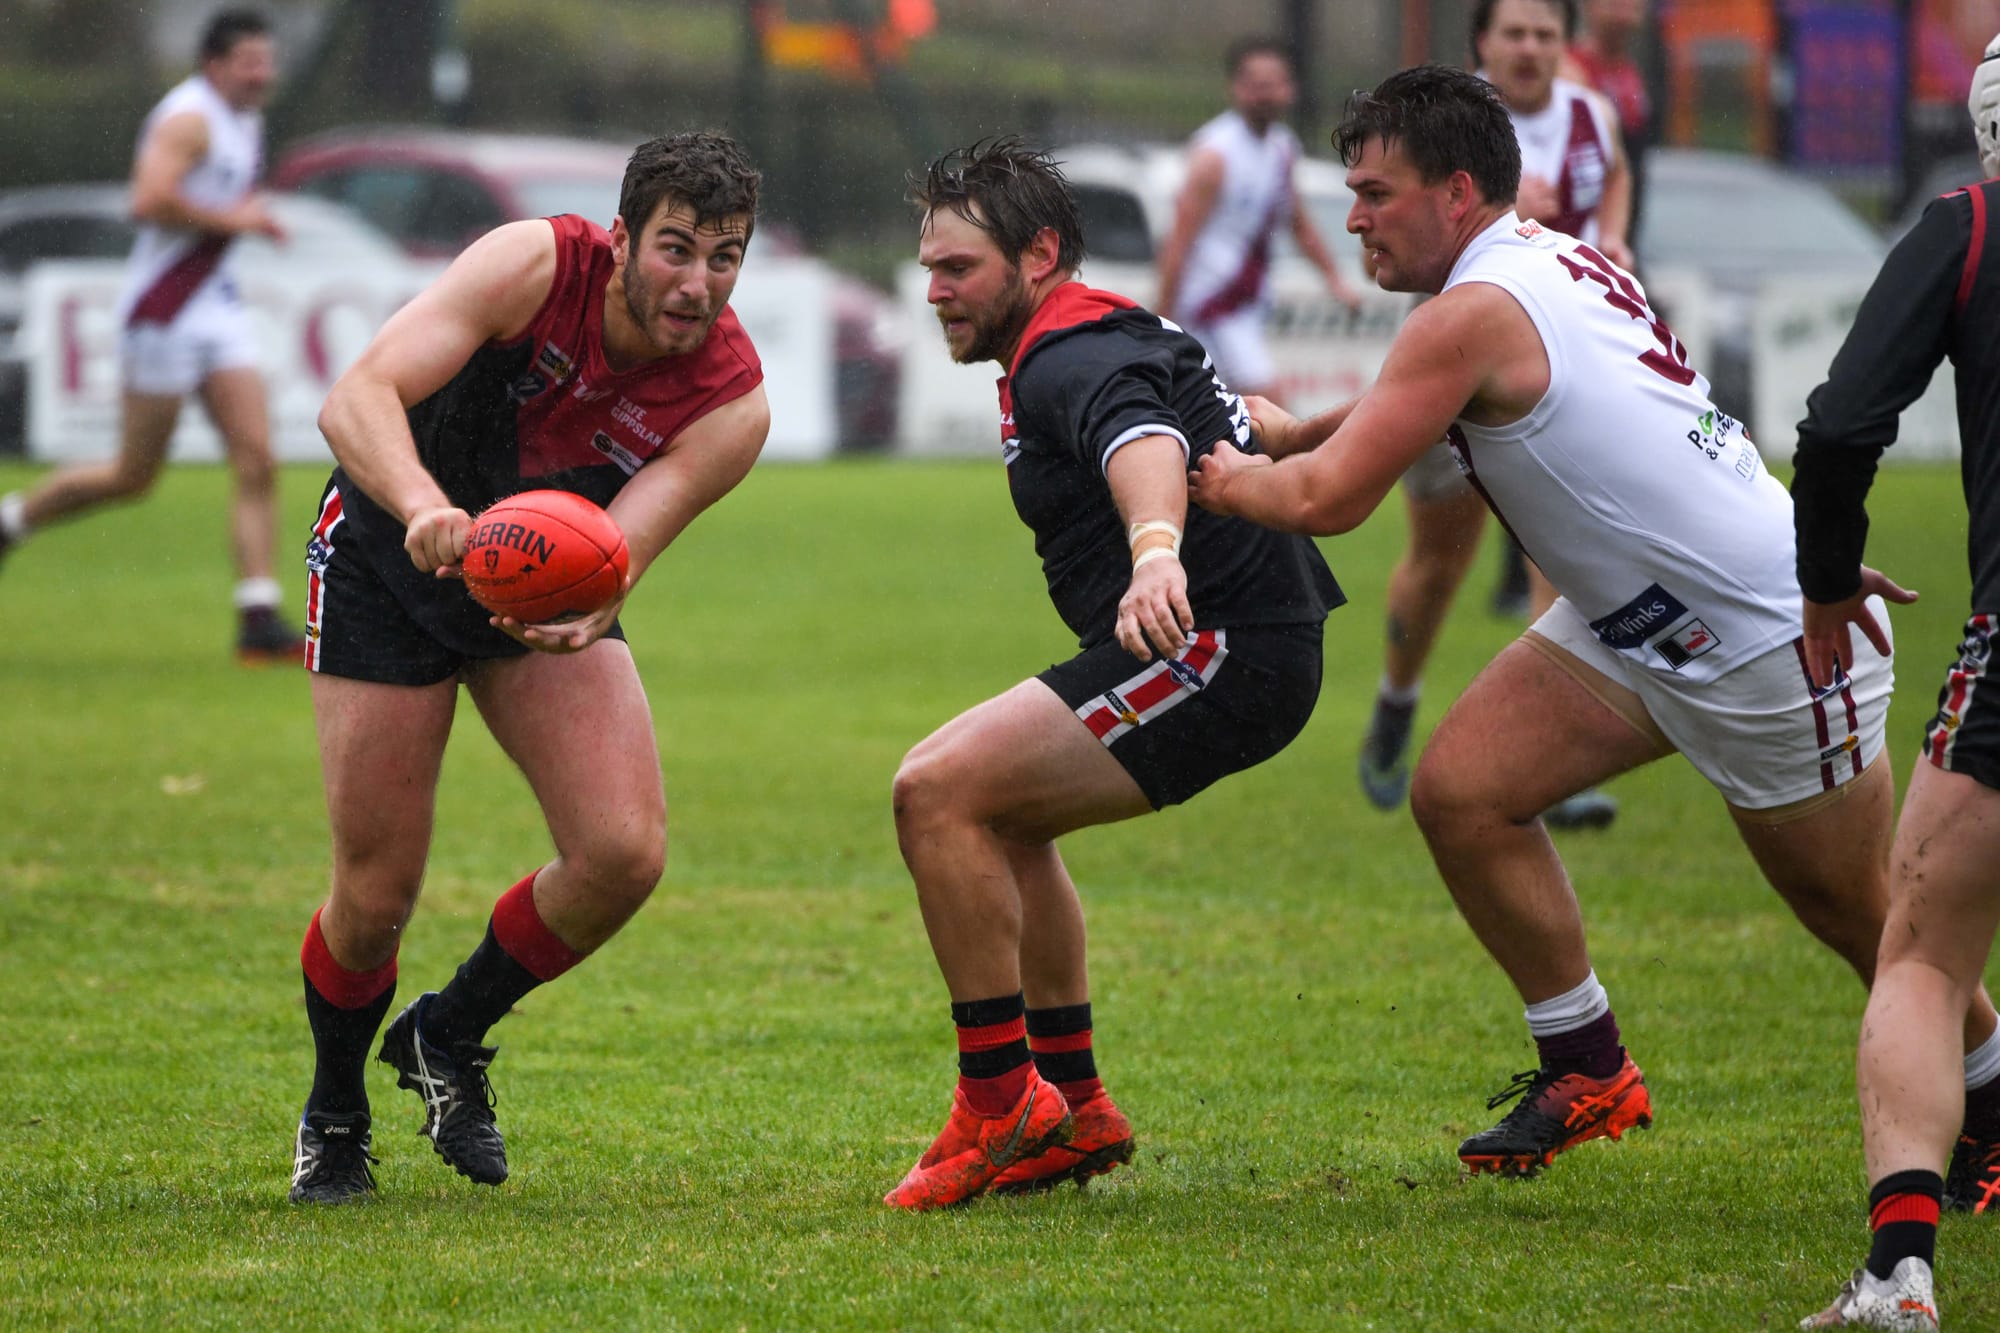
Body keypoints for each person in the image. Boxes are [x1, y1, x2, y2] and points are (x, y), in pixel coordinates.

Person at [1189, 63, 2000, 1183]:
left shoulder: (1470, 312)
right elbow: (1421, 397)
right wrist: (1289, 437)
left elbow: (1330, 501)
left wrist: (1229, 482)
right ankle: (1586, 1062)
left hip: (1770, 639)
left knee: (1871, 924)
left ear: (1456, 192)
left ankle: (1993, 1107)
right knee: (1462, 792)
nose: (1355, 217)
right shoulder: (1539, 257)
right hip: (1648, 622)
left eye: (1376, 193)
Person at [285, 131, 770, 1204]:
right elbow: (355, 398)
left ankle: (446, 1034)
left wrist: (589, 608)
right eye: (676, 248)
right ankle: (334, 1111)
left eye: (724, 257)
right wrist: (424, 507)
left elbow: (619, 555)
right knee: (376, 894)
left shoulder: (732, 404)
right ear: (621, 238)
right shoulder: (532, 265)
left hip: (531, 584)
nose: (697, 283)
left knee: (622, 851)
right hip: (385, 558)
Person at [887, 137, 1341, 1210]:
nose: (936, 290)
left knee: (935, 792)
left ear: (1038, 254)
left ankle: (1000, 1103)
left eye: (959, 268)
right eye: (930, 268)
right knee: (1003, 816)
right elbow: (1246, 426)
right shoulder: (1107, 326)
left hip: (1214, 644)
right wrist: (1364, 422)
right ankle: (1076, 1103)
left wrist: (1154, 553)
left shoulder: (1065, 354)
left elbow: (1140, 439)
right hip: (1235, 636)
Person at [1793, 38, 2000, 1332]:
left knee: (1922, 957)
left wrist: (1824, 580)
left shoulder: (1969, 225)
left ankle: (1899, 1274)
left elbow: (1837, 427)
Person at [1356, 0, 1633, 831]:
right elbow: (1390, 239)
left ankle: (1550, 764)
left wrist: (1614, 235)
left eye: (1546, 33)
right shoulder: (1443, 126)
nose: (1530, 48)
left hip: (1557, 354)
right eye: (1514, 32)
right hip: (1454, 347)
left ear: (1565, 43)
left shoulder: (1591, 113)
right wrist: (1511, 221)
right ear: (1482, 42)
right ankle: (1397, 698)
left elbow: (1616, 173)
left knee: (1563, 549)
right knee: (1438, 561)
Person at [0, 8, 305, 662]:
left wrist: (244, 220)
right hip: (163, 309)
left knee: (258, 456)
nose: (263, 74)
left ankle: (257, 616)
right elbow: (147, 199)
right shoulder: (188, 119)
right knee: (132, 476)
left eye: (267, 61)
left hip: (215, 305)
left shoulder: (246, 120)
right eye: (249, 62)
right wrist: (236, 220)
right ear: (213, 65)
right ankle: (11, 519)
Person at [1155, 37, 1364, 402]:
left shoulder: (1282, 148)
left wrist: (1334, 279)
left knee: (1218, 412)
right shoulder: (1215, 154)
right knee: (1269, 403)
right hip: (1212, 304)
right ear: (1235, 88)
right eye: (1254, 85)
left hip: (1244, 305)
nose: (1264, 94)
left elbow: (1297, 223)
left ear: (1290, 89)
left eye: (1273, 84)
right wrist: (1163, 315)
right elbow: (1180, 237)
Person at [1562, 0, 1654, 251]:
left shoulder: (1629, 72)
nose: (1626, 11)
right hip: (1588, 233)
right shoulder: (1570, 70)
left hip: (1624, 227)